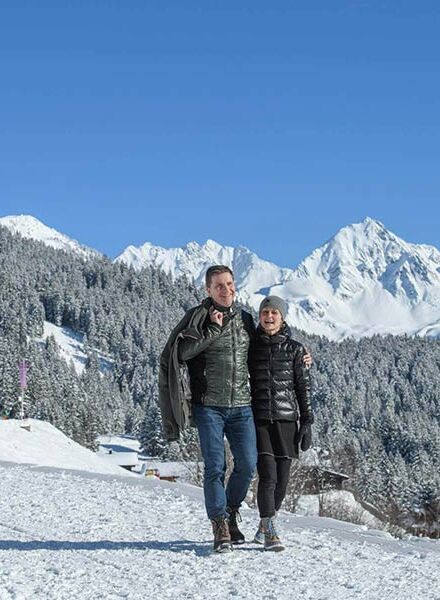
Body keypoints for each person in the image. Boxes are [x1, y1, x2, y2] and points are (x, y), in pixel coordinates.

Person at [159, 266, 311, 553]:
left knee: (248, 464)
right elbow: (181, 354)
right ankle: (219, 525)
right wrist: (212, 330)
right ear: (208, 289)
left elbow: (267, 342)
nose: (226, 290)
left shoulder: (244, 318)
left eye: (229, 284)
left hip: (242, 407)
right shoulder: (198, 317)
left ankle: (230, 511)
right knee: (216, 466)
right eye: (219, 286)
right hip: (209, 407)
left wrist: (297, 351)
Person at [248, 295, 313, 552]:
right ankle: (271, 531)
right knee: (268, 476)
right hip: (260, 419)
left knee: (283, 482)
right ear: (260, 316)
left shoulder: (296, 349)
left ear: (282, 317)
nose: (269, 317)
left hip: (287, 420)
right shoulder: (250, 347)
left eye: (274, 312)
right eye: (265, 312)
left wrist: (307, 421)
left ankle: (265, 523)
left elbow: (302, 387)